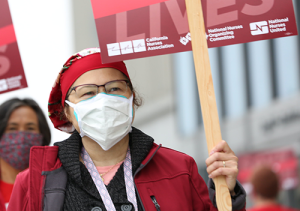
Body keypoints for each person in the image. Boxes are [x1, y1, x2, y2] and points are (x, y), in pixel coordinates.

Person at [8, 48, 246, 210]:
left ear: (132, 100)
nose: (102, 99)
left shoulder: (181, 170)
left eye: (114, 89)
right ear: (68, 111)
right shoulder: (33, 183)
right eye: (88, 93)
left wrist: (229, 193)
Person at [0, 98, 51, 210]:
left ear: (42, 136)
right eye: (12, 128)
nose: (21, 136)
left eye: (30, 128)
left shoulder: (56, 185)